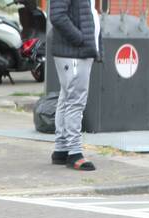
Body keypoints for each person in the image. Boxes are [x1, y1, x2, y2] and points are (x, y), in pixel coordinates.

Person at [48, 0, 100, 171]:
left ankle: (62, 149)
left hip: (78, 51)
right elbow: (57, 15)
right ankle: (75, 153)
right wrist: (80, 39)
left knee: (66, 98)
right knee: (75, 102)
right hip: (74, 52)